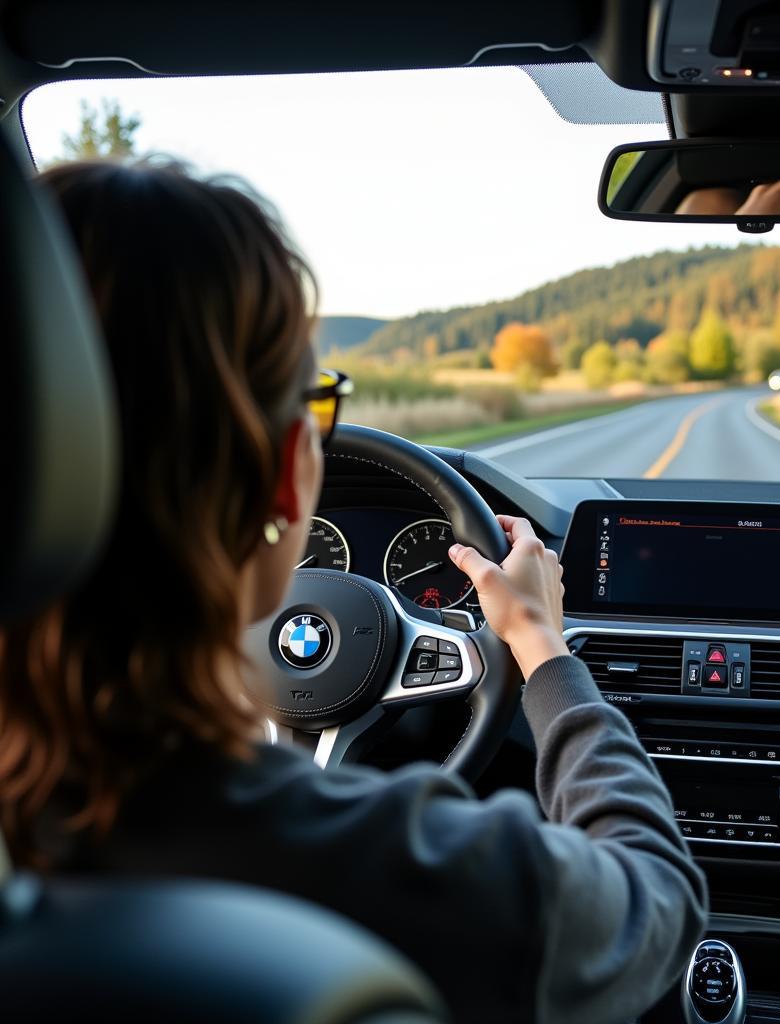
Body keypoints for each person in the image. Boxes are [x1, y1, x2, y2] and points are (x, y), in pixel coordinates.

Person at [0, 160, 708, 1024]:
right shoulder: (386, 866)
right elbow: (654, 905)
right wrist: (541, 650)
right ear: (290, 477)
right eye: (313, 409)